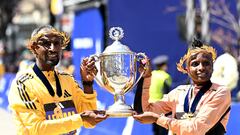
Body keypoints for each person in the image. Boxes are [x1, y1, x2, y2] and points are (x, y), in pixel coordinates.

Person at [8, 25, 107, 135]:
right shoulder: (23, 84)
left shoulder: (68, 80)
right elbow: (37, 129)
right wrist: (80, 119)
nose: (53, 48)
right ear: (34, 48)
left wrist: (87, 83)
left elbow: (90, 123)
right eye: (46, 43)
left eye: (56, 43)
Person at [133, 38, 231, 135]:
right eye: (195, 64)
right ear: (187, 69)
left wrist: (158, 119)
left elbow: (196, 129)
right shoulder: (179, 92)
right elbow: (143, 111)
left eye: (206, 63)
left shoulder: (220, 92)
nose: (201, 68)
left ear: (212, 68)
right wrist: (145, 77)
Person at [150, 55, 172, 135]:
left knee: (155, 129)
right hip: (161, 107)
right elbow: (166, 93)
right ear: (163, 66)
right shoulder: (165, 76)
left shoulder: (151, 74)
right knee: (163, 129)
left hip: (151, 106)